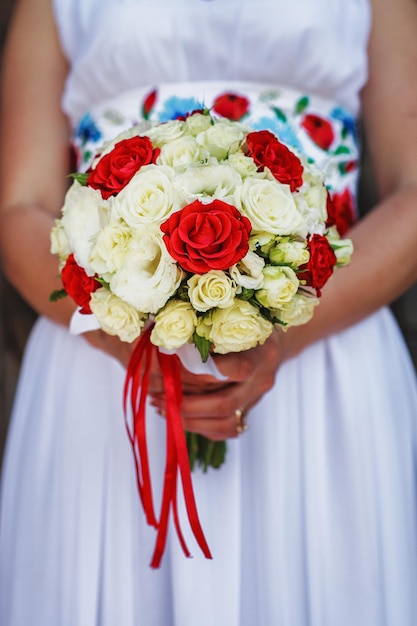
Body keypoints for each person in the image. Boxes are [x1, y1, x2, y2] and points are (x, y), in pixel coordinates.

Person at [1, 0, 417, 624]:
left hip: (327, 351)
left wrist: (281, 334)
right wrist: (127, 342)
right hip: (106, 368)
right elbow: (19, 208)